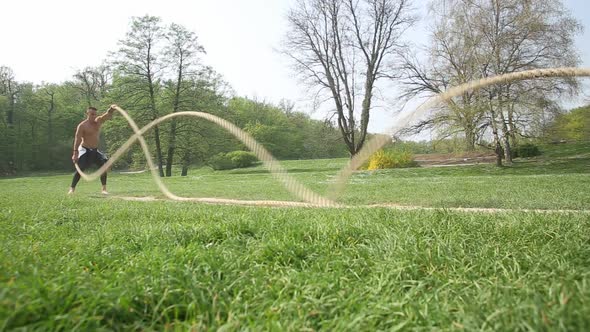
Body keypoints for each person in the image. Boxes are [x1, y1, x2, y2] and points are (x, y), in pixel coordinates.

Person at [68, 105, 117, 195]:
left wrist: (111, 109)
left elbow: (106, 116)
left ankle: (104, 189)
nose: (93, 116)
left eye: (95, 114)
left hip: (94, 149)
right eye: (91, 114)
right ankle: (72, 189)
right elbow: (77, 139)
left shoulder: (98, 121)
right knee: (81, 168)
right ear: (87, 114)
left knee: (103, 167)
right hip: (84, 149)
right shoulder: (82, 126)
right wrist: (75, 153)